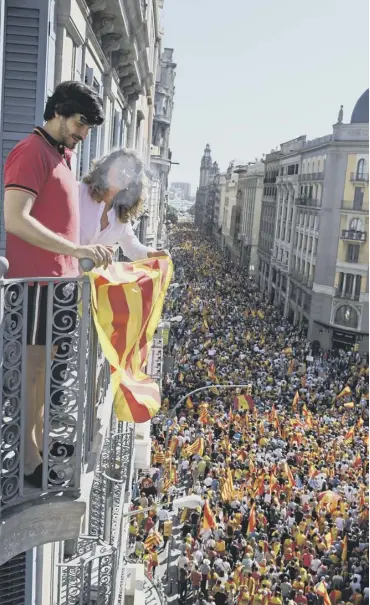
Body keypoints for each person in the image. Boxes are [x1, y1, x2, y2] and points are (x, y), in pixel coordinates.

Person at [3, 80, 113, 488]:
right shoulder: (31, 151)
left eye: (88, 127)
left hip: (57, 288)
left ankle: (37, 447)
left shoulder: (59, 156)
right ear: (59, 111)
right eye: (81, 122)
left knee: (44, 373)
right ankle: (29, 459)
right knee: (32, 373)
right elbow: (15, 219)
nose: (83, 133)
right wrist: (74, 247)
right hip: (35, 288)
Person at [79, 147, 168, 260]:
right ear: (107, 167)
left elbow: (132, 247)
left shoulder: (120, 215)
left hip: (91, 277)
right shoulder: (80, 191)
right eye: (120, 165)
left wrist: (156, 254)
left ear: (130, 183)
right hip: (61, 274)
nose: (123, 172)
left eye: (130, 171)